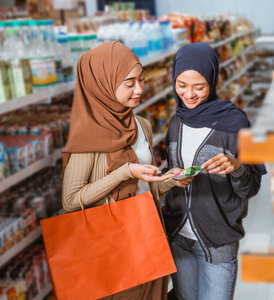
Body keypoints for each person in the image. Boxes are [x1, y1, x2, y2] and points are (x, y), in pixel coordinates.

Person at [61, 41, 191, 299]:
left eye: (140, 80)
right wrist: (125, 172)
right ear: (103, 84)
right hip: (112, 247)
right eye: (129, 83)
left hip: (149, 233)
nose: (139, 89)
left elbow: (147, 183)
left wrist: (171, 180)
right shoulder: (87, 136)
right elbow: (70, 200)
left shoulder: (141, 125)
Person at [163, 42, 267, 300]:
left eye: (199, 87)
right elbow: (170, 169)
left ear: (212, 80)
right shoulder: (176, 122)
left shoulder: (234, 123)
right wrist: (171, 177)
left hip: (217, 240)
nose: (189, 95)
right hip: (178, 237)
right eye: (181, 85)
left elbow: (251, 188)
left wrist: (237, 168)